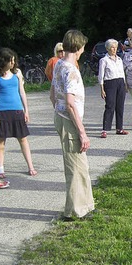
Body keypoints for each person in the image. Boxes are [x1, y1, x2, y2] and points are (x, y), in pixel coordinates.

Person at [50, 29, 95, 220]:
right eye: (83, 45)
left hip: (61, 117)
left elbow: (53, 94)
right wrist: (82, 132)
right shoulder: (71, 70)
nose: (84, 49)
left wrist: (58, 111)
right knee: (76, 166)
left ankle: (85, 205)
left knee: (79, 164)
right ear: (78, 46)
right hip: (69, 120)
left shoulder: (59, 64)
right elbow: (70, 103)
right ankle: (73, 211)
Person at [0, 47, 37, 178]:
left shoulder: (17, 73)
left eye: (14, 60)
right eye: (10, 61)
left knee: (23, 139)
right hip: (1, 111)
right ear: (4, 61)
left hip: (17, 110)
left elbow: (22, 92)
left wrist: (26, 110)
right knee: (1, 142)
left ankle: (30, 166)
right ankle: (0, 168)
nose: (13, 63)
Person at [98, 39, 128, 138]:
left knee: (120, 106)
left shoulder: (119, 59)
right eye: (112, 47)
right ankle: (105, 129)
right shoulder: (104, 60)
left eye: (115, 47)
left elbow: (122, 73)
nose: (114, 49)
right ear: (107, 48)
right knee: (110, 106)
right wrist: (102, 88)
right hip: (110, 83)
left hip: (120, 82)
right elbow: (101, 75)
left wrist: (125, 84)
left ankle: (119, 128)